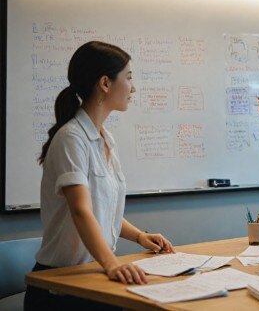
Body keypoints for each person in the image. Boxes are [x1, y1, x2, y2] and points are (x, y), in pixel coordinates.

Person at [25, 41, 175, 311]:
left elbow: (101, 207)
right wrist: (112, 263)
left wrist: (141, 237)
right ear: (105, 83)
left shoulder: (105, 138)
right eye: (128, 78)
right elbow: (81, 211)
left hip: (90, 277)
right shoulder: (72, 138)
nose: (134, 87)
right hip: (59, 287)